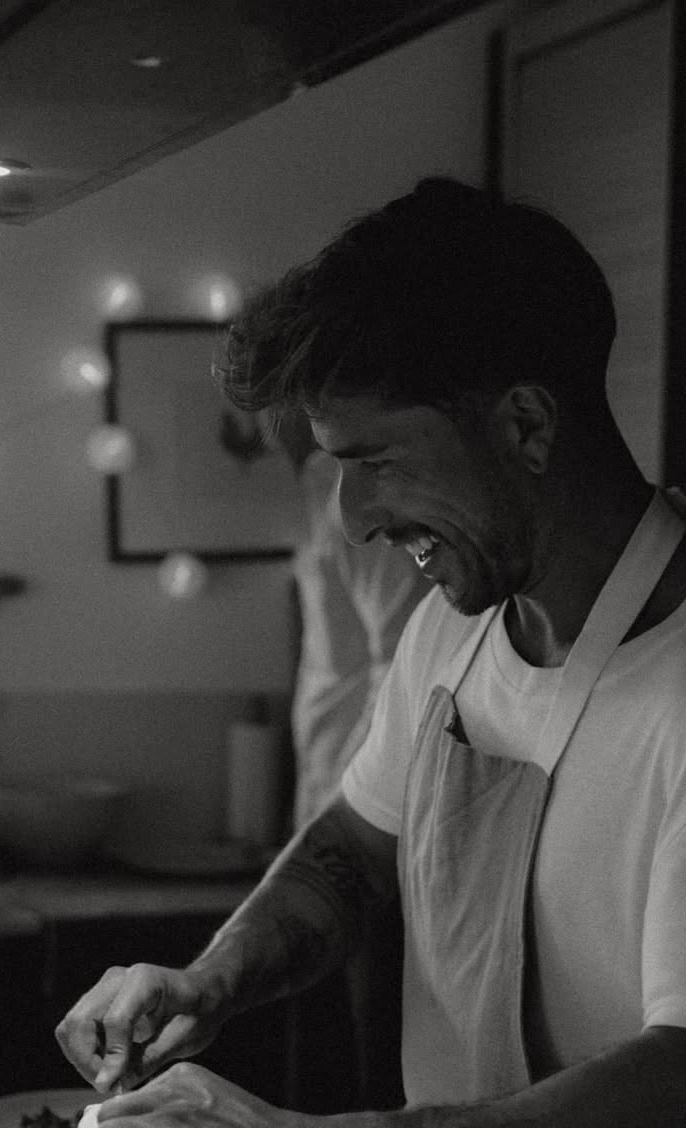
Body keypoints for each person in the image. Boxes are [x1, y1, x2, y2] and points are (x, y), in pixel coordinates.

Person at [56, 177, 686, 1127]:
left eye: (374, 463)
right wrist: (209, 980)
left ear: (525, 425)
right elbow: (353, 848)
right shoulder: (455, 625)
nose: (352, 520)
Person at [274, 407, 428, 1110]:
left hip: (364, 813)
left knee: (371, 1057)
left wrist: (351, 799)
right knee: (332, 1048)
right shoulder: (315, 486)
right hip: (329, 803)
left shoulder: (343, 487)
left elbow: (397, 652)